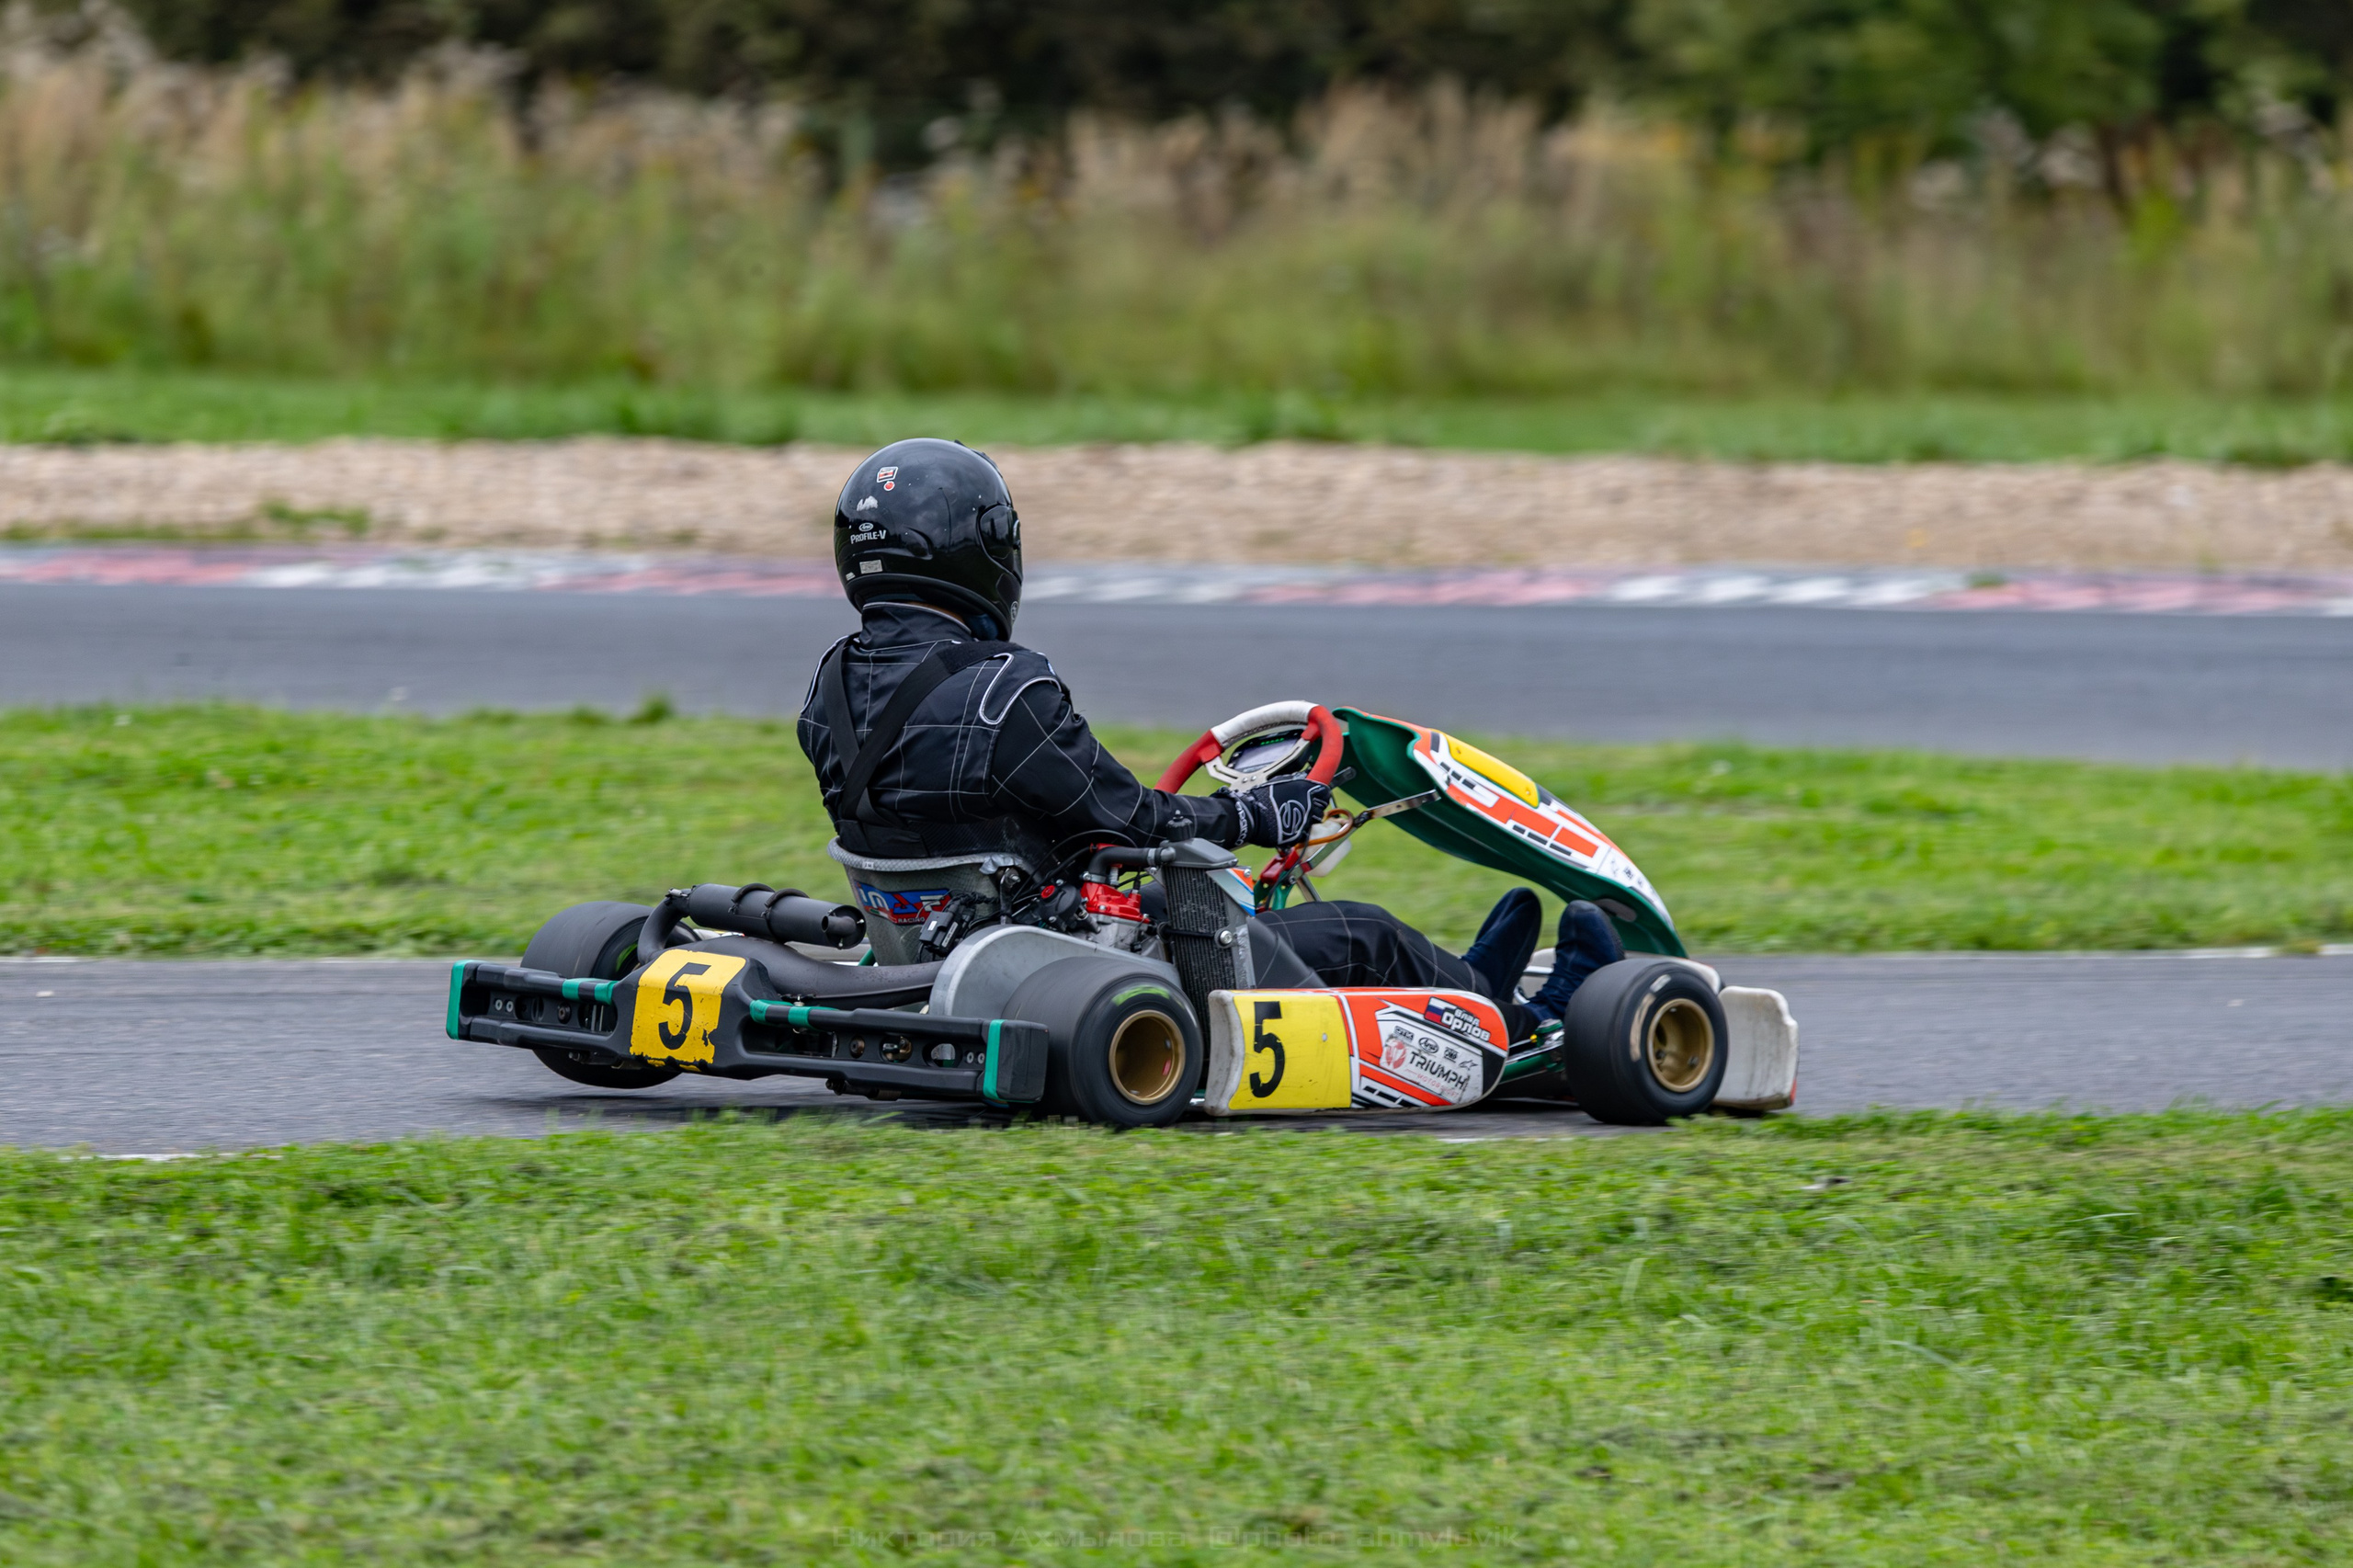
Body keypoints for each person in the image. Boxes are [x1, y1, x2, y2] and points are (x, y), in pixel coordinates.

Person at [796, 437, 1621, 1040]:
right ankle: (1524, 1023)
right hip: (1072, 960)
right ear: (980, 550)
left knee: (1239, 911)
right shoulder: (1008, 690)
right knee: (1363, 933)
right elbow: (1134, 823)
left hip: (932, 948)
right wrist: (1260, 817)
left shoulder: (826, 690)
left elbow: (999, 819)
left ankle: (1477, 983)